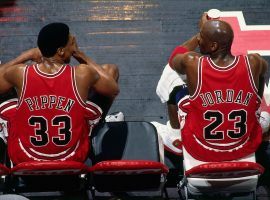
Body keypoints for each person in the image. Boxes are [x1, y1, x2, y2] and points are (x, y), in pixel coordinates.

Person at [0, 22, 119, 165]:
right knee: (110, 70)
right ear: (61, 51)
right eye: (72, 42)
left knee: (9, 89)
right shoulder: (82, 73)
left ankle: (4, 132)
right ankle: (98, 124)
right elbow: (113, 89)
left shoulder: (20, 73)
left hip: (25, 157)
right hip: (71, 158)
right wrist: (79, 54)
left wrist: (26, 55)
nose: (74, 44)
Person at [170, 14, 268, 162]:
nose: (199, 40)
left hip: (202, 148)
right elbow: (262, 75)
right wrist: (256, 102)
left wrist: (199, 32)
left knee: (175, 92)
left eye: (201, 37)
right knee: (264, 116)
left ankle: (175, 132)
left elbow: (174, 59)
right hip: (243, 146)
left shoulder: (193, 63)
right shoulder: (254, 62)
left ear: (213, 46)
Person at [151, 36, 198, 155]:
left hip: (200, 149)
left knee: (174, 75)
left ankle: (176, 135)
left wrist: (200, 35)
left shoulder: (200, 64)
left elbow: (175, 58)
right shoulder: (250, 65)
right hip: (239, 149)